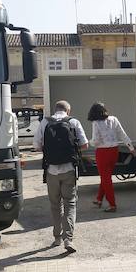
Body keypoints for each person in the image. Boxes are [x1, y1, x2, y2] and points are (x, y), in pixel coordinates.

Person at [33, 100, 89, 253]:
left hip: (51, 171)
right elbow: (85, 145)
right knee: (70, 203)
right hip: (69, 169)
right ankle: (68, 239)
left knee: (55, 204)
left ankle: (57, 237)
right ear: (68, 110)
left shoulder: (45, 121)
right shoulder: (73, 122)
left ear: (55, 109)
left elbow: (36, 146)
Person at [87, 102, 136, 213]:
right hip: (114, 151)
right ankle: (99, 199)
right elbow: (122, 134)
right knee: (106, 177)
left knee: (106, 179)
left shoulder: (96, 123)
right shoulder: (114, 119)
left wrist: (88, 142)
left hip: (102, 152)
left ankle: (112, 204)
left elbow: (96, 141)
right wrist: (131, 148)